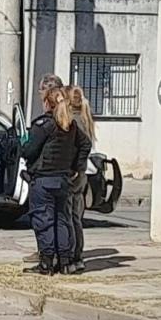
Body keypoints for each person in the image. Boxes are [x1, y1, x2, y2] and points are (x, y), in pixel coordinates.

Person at [22, 87, 91, 275]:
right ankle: (66, 262)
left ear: (47, 103)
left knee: (44, 220)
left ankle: (46, 263)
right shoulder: (70, 125)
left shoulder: (44, 124)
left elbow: (28, 151)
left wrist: (20, 144)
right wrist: (77, 167)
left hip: (44, 180)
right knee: (62, 220)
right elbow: (86, 144)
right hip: (63, 180)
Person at [64, 85, 97, 273]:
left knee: (69, 216)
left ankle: (72, 255)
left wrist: (74, 167)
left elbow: (78, 147)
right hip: (81, 173)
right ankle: (77, 255)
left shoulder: (73, 120)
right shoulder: (84, 118)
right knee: (76, 217)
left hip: (73, 173)